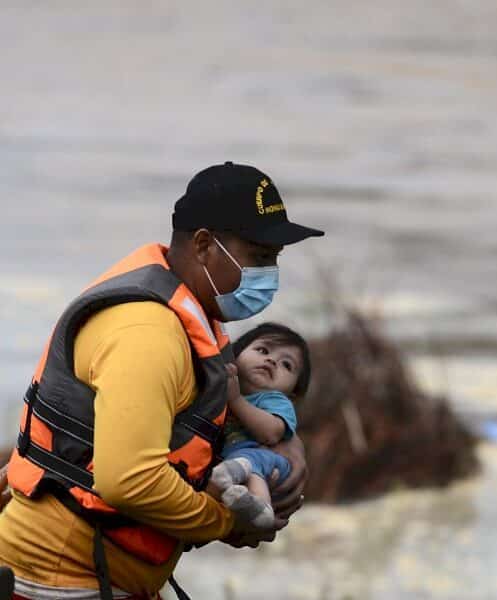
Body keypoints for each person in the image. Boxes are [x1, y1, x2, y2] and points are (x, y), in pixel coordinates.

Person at [0, 162, 323, 600]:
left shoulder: (194, 313)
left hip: (99, 576)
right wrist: (228, 520)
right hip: (54, 580)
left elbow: (215, 417)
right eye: (259, 257)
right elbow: (129, 480)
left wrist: (284, 445)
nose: (270, 276)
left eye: (275, 260)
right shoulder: (148, 334)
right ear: (205, 246)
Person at [210, 322, 312, 530]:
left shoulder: (275, 400)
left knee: (252, 463)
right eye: (262, 350)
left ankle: (262, 510)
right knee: (242, 468)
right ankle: (246, 504)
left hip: (268, 459)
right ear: (234, 356)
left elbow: (271, 433)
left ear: (293, 393)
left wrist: (236, 400)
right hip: (232, 461)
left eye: (287, 365)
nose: (272, 361)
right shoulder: (219, 388)